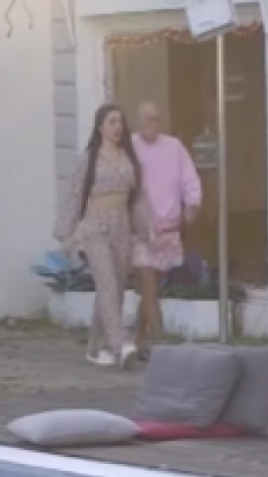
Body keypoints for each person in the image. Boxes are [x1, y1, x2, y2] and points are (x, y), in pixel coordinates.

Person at [54, 103, 152, 368]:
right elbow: (75, 195)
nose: (117, 127)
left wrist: (146, 229)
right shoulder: (90, 159)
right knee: (107, 283)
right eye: (112, 122)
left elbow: (137, 198)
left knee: (115, 287)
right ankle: (120, 345)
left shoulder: (128, 158)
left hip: (121, 226)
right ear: (100, 127)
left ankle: (96, 346)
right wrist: (65, 231)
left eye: (120, 122)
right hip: (95, 226)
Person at [132, 101, 203, 360]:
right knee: (149, 285)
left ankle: (137, 341)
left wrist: (192, 204)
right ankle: (161, 344)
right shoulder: (131, 147)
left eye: (156, 119)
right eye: (148, 119)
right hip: (141, 231)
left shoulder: (174, 147)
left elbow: (190, 180)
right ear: (139, 121)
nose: (152, 124)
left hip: (168, 230)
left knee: (151, 291)